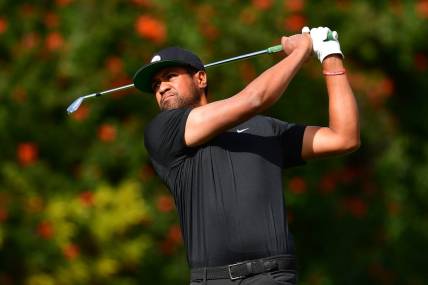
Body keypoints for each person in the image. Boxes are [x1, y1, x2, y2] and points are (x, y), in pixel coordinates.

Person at [133, 27, 360, 285]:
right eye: (155, 85)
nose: (162, 88)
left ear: (201, 79)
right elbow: (254, 99)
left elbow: (344, 137)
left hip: (272, 276)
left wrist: (330, 55)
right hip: (212, 280)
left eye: (170, 77)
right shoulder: (162, 131)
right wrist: (300, 52)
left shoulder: (263, 128)